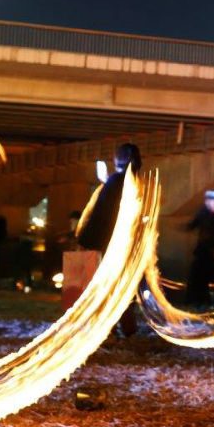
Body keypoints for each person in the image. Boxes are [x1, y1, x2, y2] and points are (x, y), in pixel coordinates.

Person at [77, 142, 142, 335]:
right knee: (120, 288)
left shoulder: (115, 182)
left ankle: (114, 328)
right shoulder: (130, 183)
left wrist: (86, 241)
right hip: (118, 246)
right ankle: (123, 328)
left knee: (111, 288)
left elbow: (100, 215)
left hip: (108, 245)